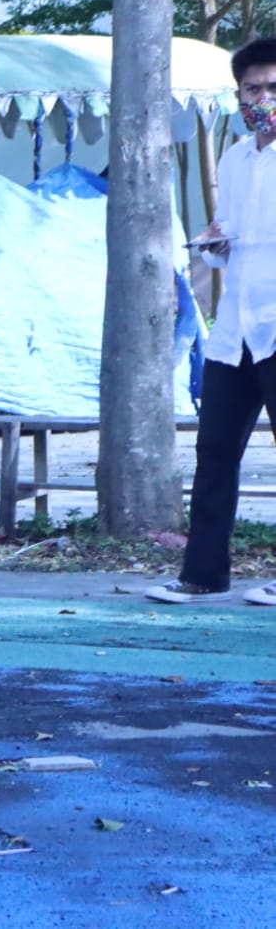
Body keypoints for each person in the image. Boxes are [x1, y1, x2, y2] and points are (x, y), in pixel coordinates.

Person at [148, 36, 276, 608]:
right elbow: (226, 236)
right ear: (239, 95)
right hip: (234, 332)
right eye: (253, 89)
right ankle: (203, 574)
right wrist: (213, 246)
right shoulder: (235, 156)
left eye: (274, 87)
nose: (264, 97)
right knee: (215, 453)